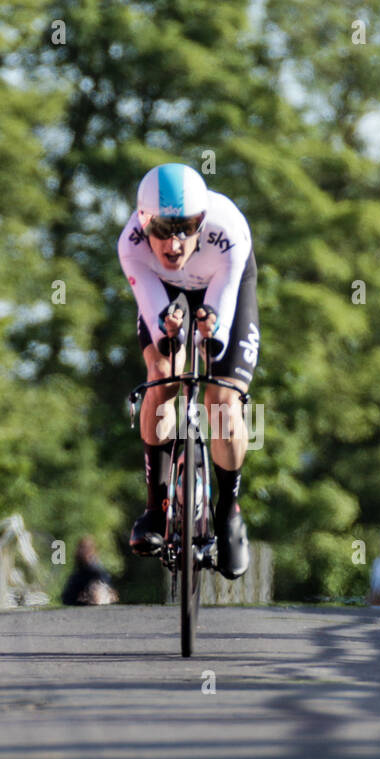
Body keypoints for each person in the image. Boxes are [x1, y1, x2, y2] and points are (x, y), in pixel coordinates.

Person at [119, 163, 259, 579]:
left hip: (223, 286)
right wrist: (172, 335)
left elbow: (222, 317)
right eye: (162, 228)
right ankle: (156, 508)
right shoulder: (131, 246)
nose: (174, 242)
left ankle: (228, 513)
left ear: (203, 222)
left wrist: (210, 330)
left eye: (186, 227)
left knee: (222, 399)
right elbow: (157, 321)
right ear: (145, 224)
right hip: (167, 293)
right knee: (161, 378)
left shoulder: (229, 229)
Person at [61, 536, 119, 606]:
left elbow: (103, 590)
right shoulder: (78, 572)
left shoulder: (97, 572)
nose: (81, 552)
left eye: (85, 549)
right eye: (81, 549)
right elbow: (67, 597)